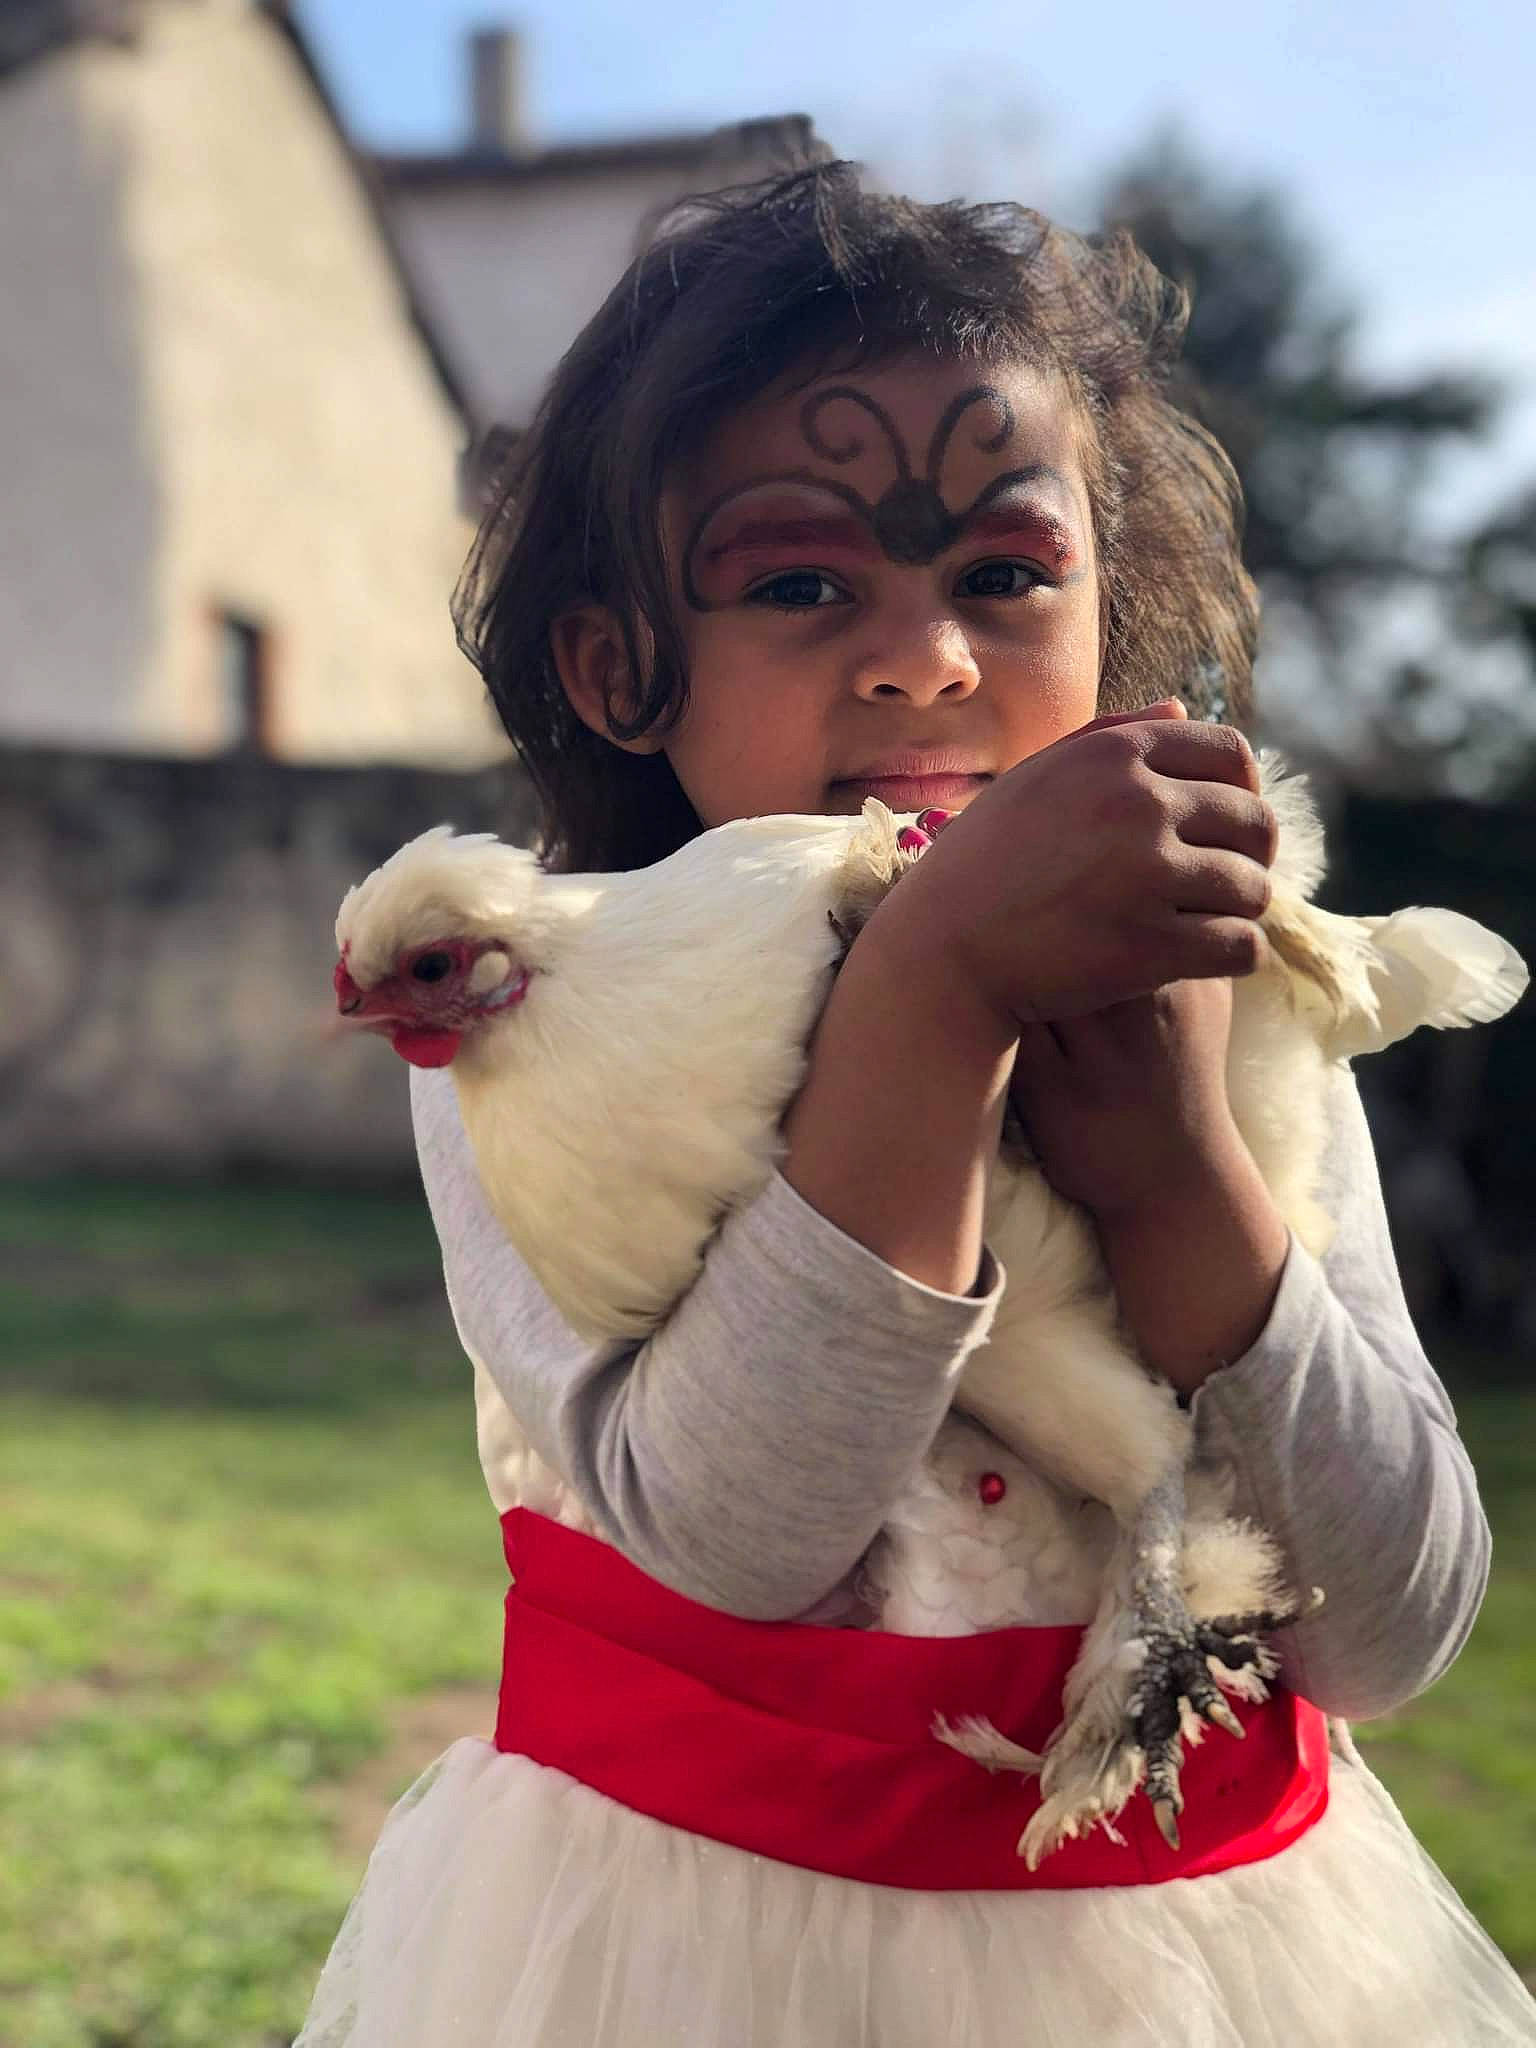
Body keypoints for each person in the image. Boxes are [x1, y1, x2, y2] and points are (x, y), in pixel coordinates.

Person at [295, 159, 1536, 2045]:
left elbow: (1392, 1633)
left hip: (1220, 1961)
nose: (929, 659)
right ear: (619, 665)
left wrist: (1181, 1168)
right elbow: (733, 1534)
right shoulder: (529, 1020)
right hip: (689, 1957)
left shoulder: (1246, 1005)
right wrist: (936, 1003)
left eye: (1006, 578)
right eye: (800, 582)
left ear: (1114, 625)